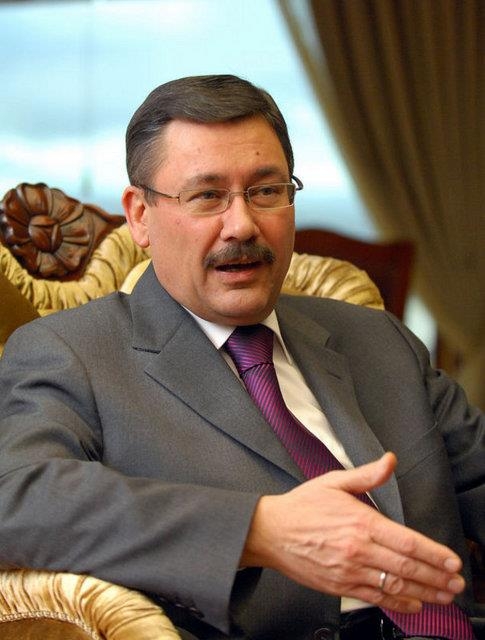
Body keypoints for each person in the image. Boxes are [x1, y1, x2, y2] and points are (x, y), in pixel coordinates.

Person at [0, 75, 483, 640]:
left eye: (266, 191)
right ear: (140, 215)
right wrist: (258, 531)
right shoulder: (71, 353)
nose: (243, 225)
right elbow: (17, 499)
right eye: (207, 196)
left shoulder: (376, 339)